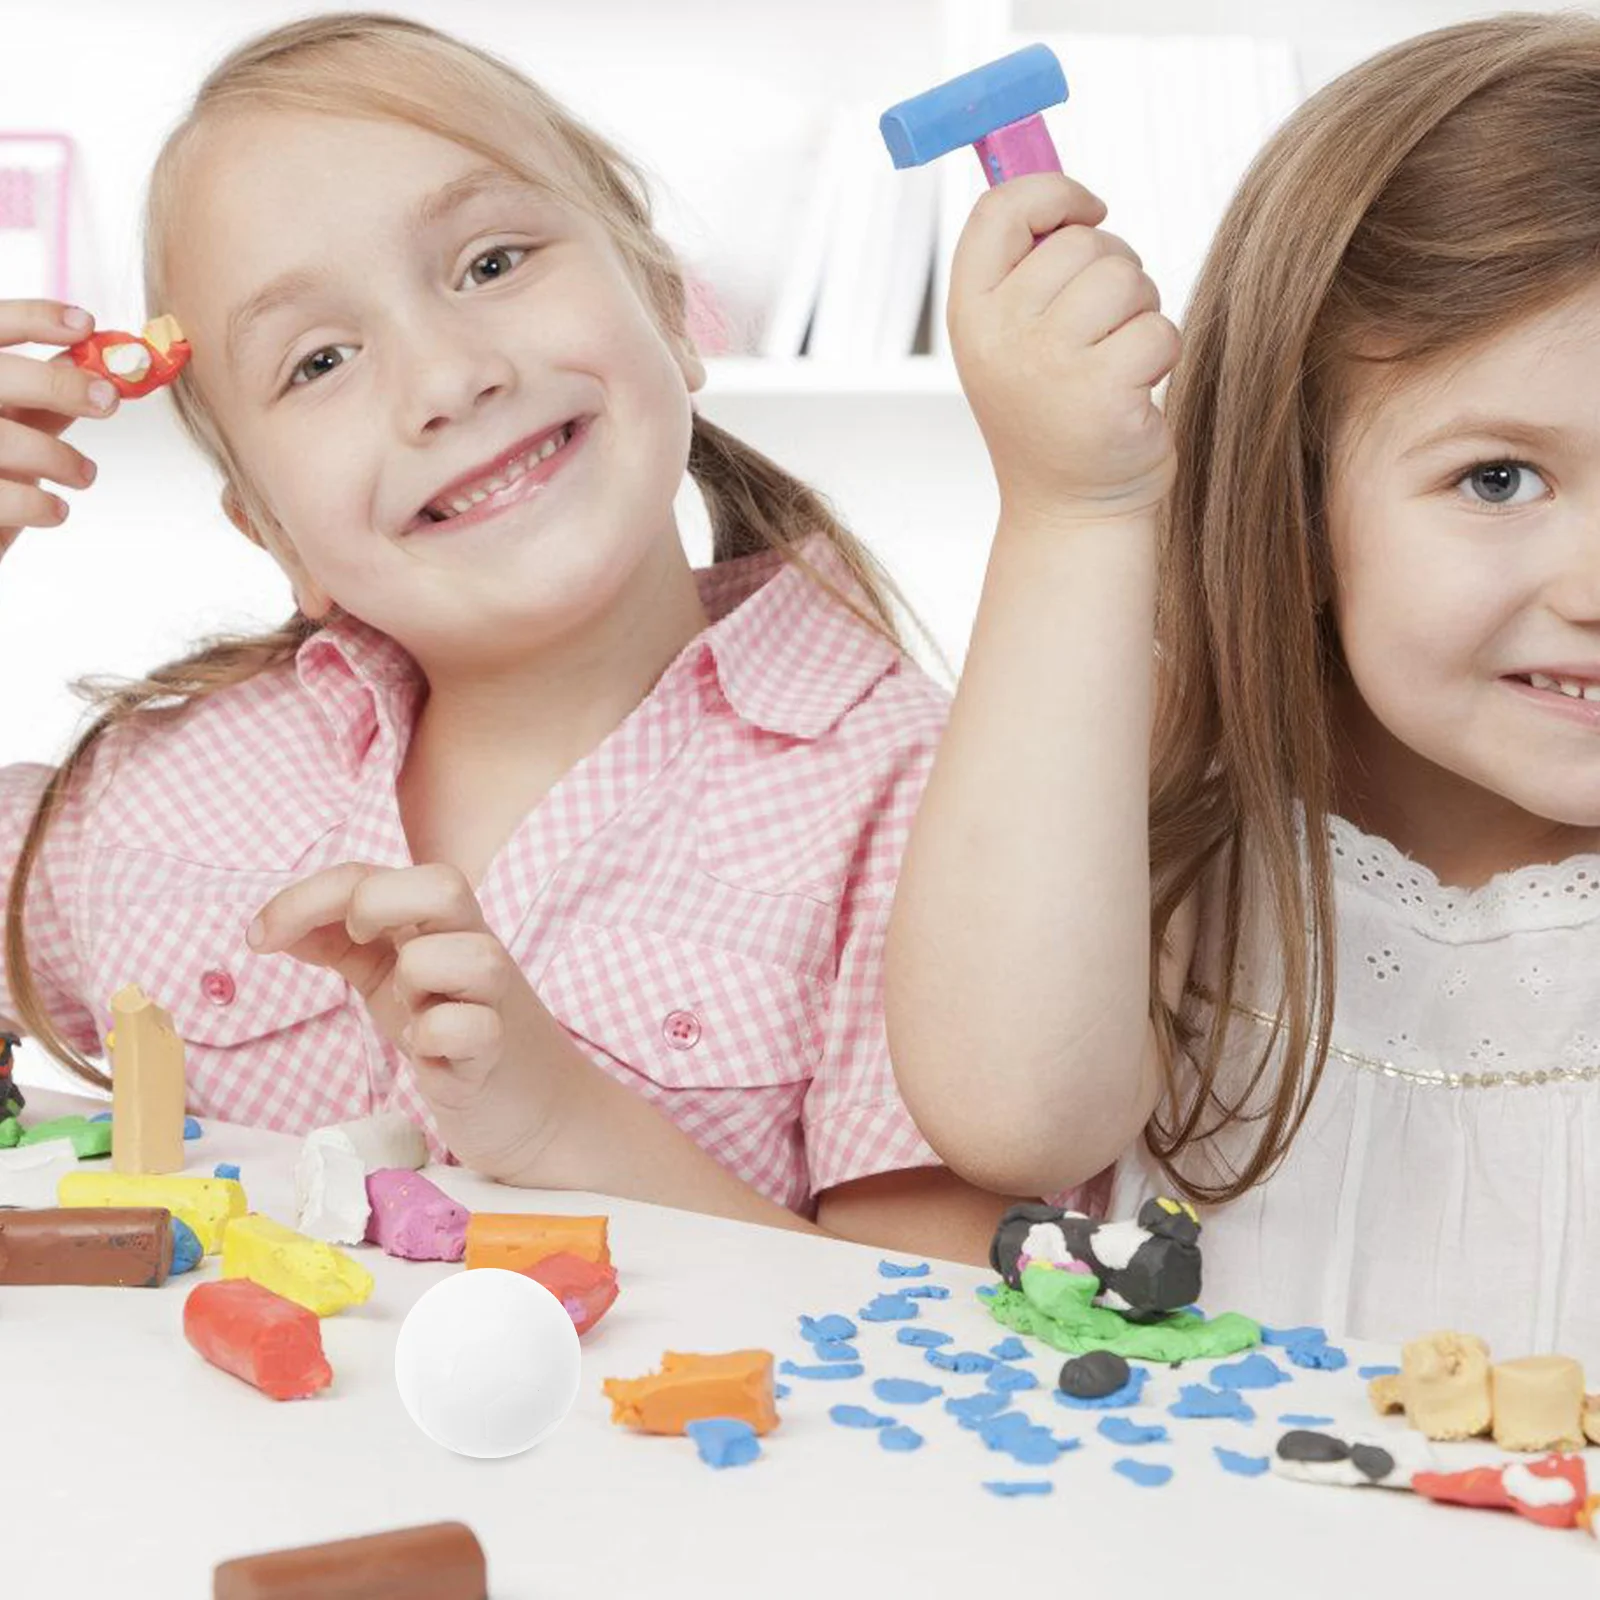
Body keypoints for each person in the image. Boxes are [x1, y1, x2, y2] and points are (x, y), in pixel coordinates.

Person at [0, 13, 1015, 1260]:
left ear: (663, 300)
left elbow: (941, 1336)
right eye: (318, 360)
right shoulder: (158, 799)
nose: (446, 377)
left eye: (491, 264)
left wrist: (563, 1129)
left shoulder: (922, 805)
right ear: (273, 531)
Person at [886, 13, 1600, 1352]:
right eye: (1497, 478)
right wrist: (1073, 513)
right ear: (1299, 506)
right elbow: (1008, 1109)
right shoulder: (1189, 835)